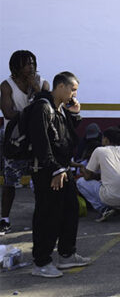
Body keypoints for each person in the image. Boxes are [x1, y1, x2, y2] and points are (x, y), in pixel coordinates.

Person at [28, 72, 90, 278]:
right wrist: (54, 168)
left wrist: (74, 114)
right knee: (48, 216)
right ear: (60, 86)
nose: (74, 94)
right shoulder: (42, 108)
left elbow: (68, 138)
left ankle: (66, 254)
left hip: (62, 169)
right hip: (47, 171)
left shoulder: (60, 109)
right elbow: (41, 142)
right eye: (72, 90)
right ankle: (41, 262)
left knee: (70, 210)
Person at [0, 50, 50, 235]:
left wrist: (36, 89)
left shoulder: (42, 82)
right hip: (15, 139)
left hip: (36, 138)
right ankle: (4, 218)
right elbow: (8, 113)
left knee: (39, 178)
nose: (31, 67)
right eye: (27, 64)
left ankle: (41, 216)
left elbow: (48, 105)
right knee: (10, 181)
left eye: (33, 63)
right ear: (16, 66)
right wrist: (31, 115)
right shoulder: (7, 85)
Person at [76, 127, 120, 222]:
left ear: (106, 139)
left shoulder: (99, 150)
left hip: (109, 197)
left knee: (80, 182)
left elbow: (87, 177)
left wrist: (82, 168)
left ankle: (103, 209)